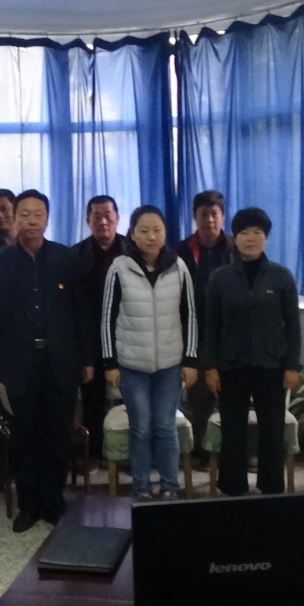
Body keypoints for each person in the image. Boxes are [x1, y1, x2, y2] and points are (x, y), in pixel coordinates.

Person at [0, 189, 94, 532]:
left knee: (58, 436)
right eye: (25, 214)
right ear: (15, 218)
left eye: (38, 214)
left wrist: (87, 359)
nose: (32, 220)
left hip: (60, 362)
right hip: (18, 364)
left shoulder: (66, 258)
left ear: (47, 219)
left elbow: (81, 312)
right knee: (25, 437)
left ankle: (53, 501)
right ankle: (29, 505)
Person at [101, 205, 198, 500]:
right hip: (131, 366)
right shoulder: (119, 268)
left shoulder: (179, 266)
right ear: (132, 234)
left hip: (170, 364)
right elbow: (107, 318)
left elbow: (190, 316)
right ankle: (141, 486)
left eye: (157, 230)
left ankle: (170, 486)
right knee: (141, 428)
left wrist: (191, 360)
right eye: (143, 231)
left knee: (165, 427)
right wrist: (110, 363)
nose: (151, 236)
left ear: (165, 233)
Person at [202, 208, 301, 496]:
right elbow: (211, 325)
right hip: (231, 364)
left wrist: (292, 365)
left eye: (257, 232)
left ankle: (271, 486)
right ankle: (233, 486)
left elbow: (293, 325)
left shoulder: (281, 276)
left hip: (271, 364)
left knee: (272, 428)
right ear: (235, 238)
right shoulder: (220, 277)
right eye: (244, 232)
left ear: (266, 238)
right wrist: (210, 366)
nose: (250, 238)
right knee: (233, 428)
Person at [173, 190, 236, 466]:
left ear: (222, 216)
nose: (209, 220)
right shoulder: (180, 250)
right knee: (199, 398)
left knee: (232, 398)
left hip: (230, 336)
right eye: (203, 214)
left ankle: (231, 453)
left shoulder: (236, 248)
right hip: (194, 334)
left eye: (214, 214)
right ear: (194, 217)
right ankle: (200, 452)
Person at [72, 195, 127, 463]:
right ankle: (94, 453)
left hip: (127, 335)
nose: (103, 221)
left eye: (108, 215)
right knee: (92, 399)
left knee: (130, 399)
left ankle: (127, 454)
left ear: (117, 218)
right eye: (97, 216)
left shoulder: (133, 249)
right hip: (91, 337)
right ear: (88, 220)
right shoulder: (75, 255)